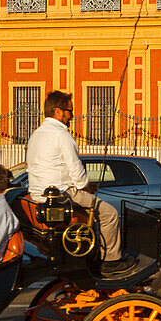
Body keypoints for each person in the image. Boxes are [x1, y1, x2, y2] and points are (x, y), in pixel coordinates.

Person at [26, 90, 135, 276]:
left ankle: (94, 252)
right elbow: (75, 169)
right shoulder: (62, 135)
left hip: (39, 193)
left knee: (93, 211)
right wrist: (85, 186)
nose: (72, 116)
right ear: (58, 112)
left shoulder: (37, 134)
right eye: (70, 111)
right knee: (109, 214)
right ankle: (111, 261)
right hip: (62, 194)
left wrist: (83, 186)